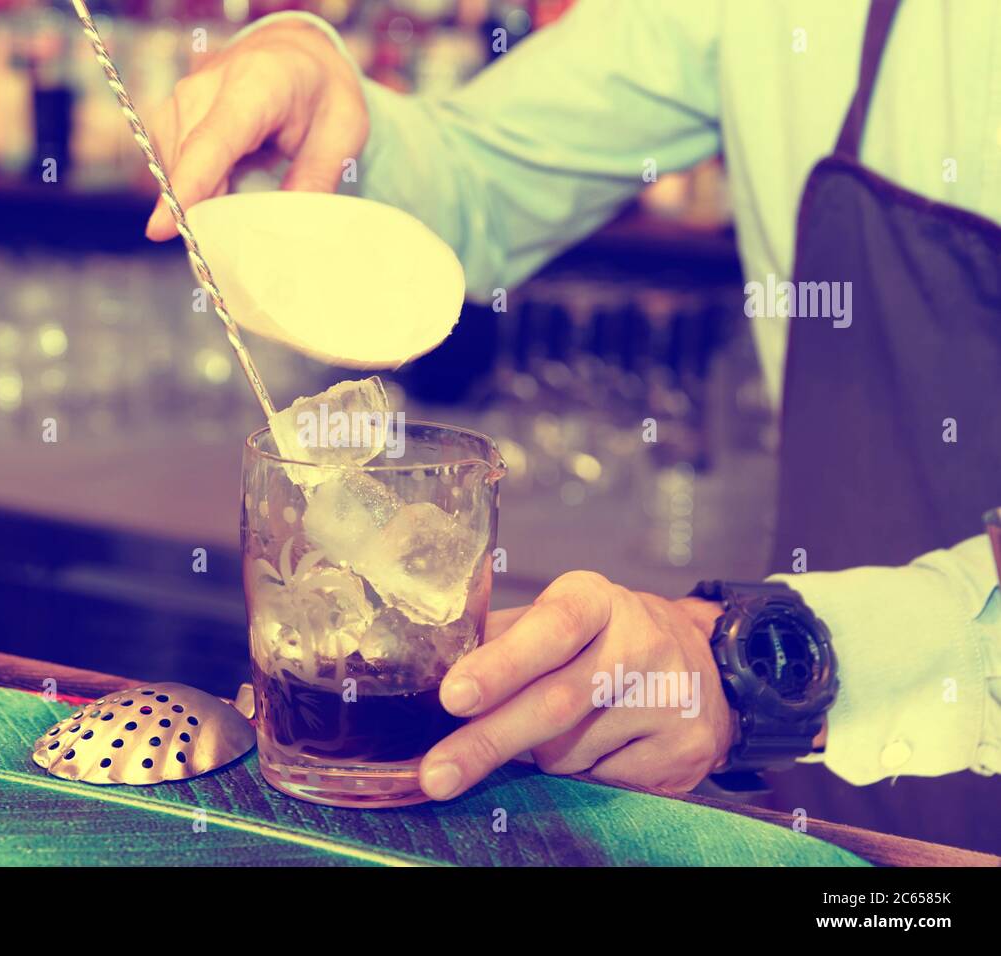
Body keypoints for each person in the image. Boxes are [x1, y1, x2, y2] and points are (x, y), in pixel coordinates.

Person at [145, 0, 1001, 847]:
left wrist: (761, 666)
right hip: (832, 764)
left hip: (825, 680)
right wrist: (316, 118)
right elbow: (480, 180)